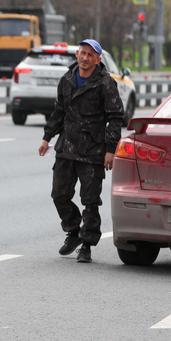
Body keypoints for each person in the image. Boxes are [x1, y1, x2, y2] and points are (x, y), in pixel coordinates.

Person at [38, 39, 123, 263]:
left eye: (90, 55)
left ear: (98, 59)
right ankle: (73, 231)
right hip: (66, 148)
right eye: (82, 53)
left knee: (90, 200)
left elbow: (115, 117)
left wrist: (110, 149)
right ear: (77, 54)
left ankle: (86, 244)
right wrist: (47, 137)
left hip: (92, 151)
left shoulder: (105, 83)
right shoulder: (67, 79)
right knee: (59, 195)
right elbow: (59, 111)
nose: (85, 58)